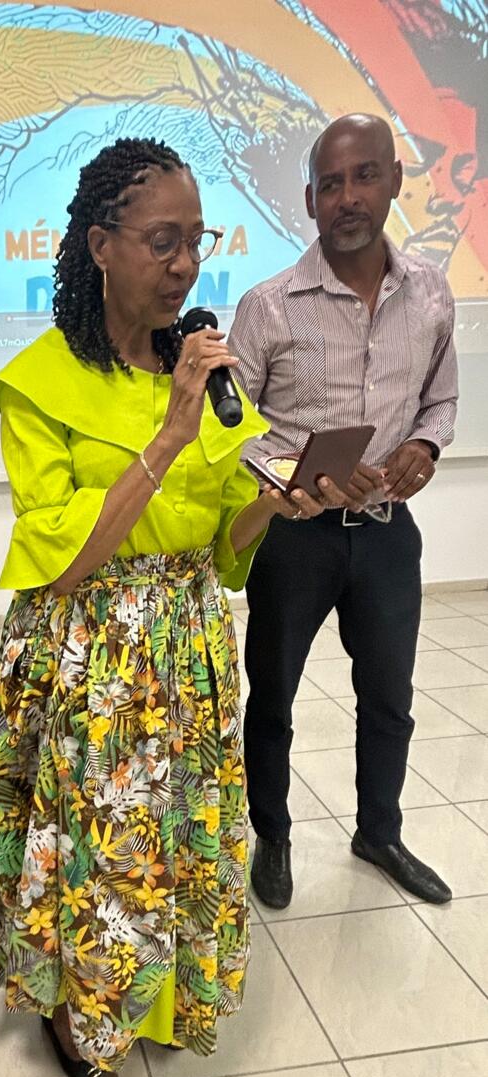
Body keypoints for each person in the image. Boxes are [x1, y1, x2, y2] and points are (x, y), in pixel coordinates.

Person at [0, 138, 326, 1077]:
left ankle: (159, 1000)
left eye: (196, 241)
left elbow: (223, 542)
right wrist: (170, 434)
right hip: (92, 650)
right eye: (162, 242)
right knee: (97, 846)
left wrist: (277, 503)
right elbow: (62, 555)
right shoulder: (39, 383)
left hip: (189, 642)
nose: (185, 266)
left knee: (177, 832)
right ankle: (77, 1012)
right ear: (99, 245)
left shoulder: (206, 377)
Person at [230, 113, 457, 910]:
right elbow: (231, 430)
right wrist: (296, 476)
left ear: (395, 179)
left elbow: (441, 399)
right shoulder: (268, 305)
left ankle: (379, 833)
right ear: (309, 200)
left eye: (364, 177)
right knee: (273, 696)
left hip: (389, 535)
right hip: (295, 538)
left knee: (389, 698)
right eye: (331, 184)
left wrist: (425, 446)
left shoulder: (431, 292)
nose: (348, 197)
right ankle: (273, 834)